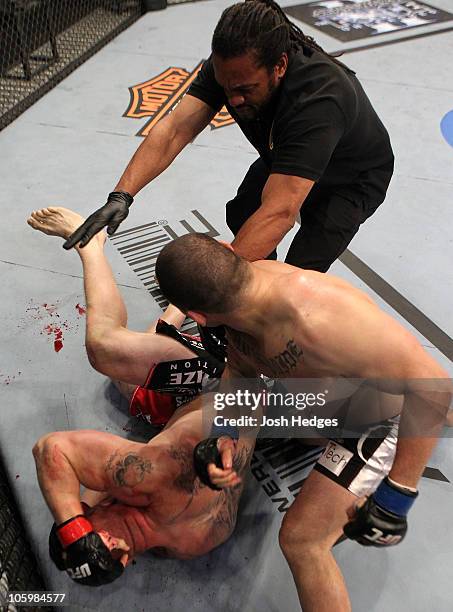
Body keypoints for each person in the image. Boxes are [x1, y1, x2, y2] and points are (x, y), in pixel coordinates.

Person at [153, 233, 451, 612]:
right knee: (301, 427)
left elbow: (433, 387)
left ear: (196, 317)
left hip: (385, 414)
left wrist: (396, 497)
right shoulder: (241, 289)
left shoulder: (320, 318)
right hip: (336, 400)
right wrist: (224, 433)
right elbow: (241, 365)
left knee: (301, 541)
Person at [62, 0, 394, 273]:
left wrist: (216, 282)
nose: (233, 99)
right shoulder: (232, 70)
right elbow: (175, 128)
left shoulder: (319, 98)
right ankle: (252, 290)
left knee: (298, 271)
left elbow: (280, 211)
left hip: (350, 178)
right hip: (287, 152)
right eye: (226, 86)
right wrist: (122, 195)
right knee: (242, 212)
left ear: (279, 66)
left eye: (245, 89)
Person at [28, 207, 252, 586]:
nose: (85, 508)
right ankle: (91, 244)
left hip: (254, 411)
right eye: (90, 521)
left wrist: (89, 521)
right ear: (116, 544)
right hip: (235, 378)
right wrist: (72, 526)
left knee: (135, 390)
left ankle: (178, 310)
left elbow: (107, 501)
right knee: (107, 351)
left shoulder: (184, 545)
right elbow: (53, 450)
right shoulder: (144, 480)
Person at [27, 206, 226, 428]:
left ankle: (92, 249)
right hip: (232, 371)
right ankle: (184, 302)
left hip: (215, 393)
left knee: (109, 350)